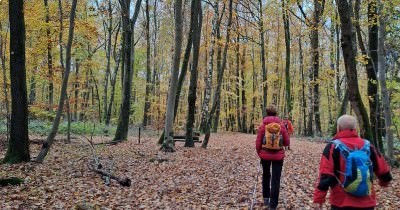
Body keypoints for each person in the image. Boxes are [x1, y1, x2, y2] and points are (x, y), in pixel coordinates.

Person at [313, 115, 392, 210]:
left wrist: (319, 199)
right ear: (355, 129)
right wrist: (384, 182)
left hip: (341, 202)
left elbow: (325, 175)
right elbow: (383, 169)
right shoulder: (368, 146)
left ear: (338, 128)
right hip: (367, 202)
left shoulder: (332, 147)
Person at [256, 105, 290, 209]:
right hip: (278, 156)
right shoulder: (281, 125)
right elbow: (287, 142)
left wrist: (259, 152)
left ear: (267, 113)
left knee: (266, 175)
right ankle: (273, 205)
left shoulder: (263, 125)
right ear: (276, 113)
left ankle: (266, 199)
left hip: (264, 155)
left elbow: (258, 141)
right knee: (276, 179)